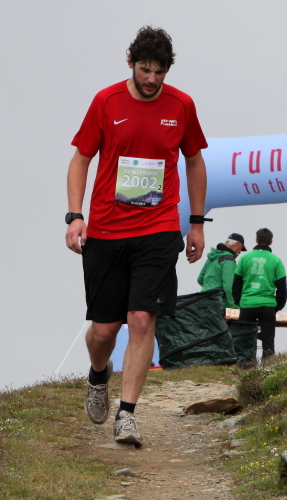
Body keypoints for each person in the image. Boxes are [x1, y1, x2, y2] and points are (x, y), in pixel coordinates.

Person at [65, 26, 208, 447]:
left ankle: (126, 414)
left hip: (158, 229)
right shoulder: (106, 101)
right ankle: (99, 375)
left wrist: (196, 222)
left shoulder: (181, 105)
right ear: (131, 63)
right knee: (104, 330)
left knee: (142, 320)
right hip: (107, 230)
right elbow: (80, 159)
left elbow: (195, 161)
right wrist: (75, 216)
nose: (151, 79)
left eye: (159, 72)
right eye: (145, 69)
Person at [233, 228, 287, 359]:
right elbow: (282, 287)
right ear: (271, 241)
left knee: (245, 341)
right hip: (267, 305)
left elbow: (236, 284)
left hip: (247, 304)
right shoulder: (276, 261)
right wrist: (277, 306)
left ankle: (245, 366)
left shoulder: (244, 258)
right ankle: (267, 366)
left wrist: (239, 302)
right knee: (268, 341)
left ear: (256, 240)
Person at [197, 233, 247, 309]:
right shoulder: (228, 259)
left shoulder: (212, 257)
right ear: (238, 245)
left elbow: (200, 279)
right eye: (241, 249)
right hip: (218, 303)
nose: (239, 252)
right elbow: (229, 287)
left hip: (203, 299)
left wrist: (209, 288)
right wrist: (234, 305)